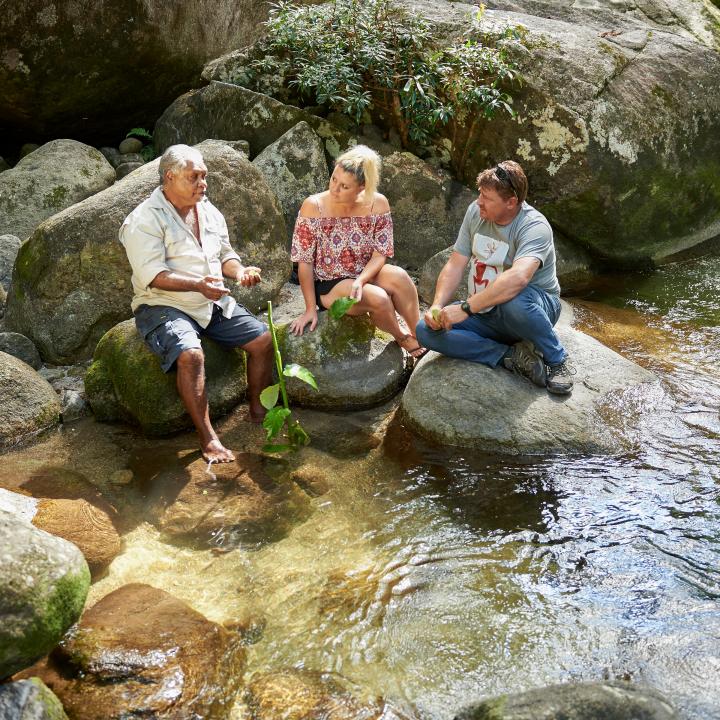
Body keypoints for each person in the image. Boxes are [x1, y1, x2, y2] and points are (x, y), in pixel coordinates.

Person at [119, 144, 273, 463]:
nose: (202, 183)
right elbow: (152, 274)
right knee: (190, 355)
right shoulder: (143, 219)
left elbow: (225, 255)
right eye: (194, 177)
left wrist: (241, 271)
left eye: (204, 176)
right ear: (169, 177)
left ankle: (258, 411)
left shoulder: (208, 210)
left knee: (263, 339)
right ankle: (209, 440)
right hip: (162, 304)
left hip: (211, 300)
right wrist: (199, 285)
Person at [415, 160, 574, 395]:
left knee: (513, 301)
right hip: (485, 311)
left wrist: (466, 308)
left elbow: (518, 279)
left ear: (511, 202)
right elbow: (456, 264)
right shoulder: (475, 212)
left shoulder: (534, 226)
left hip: (531, 307)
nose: (479, 201)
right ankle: (511, 356)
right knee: (425, 331)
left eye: (487, 198)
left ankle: (557, 360)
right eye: (480, 194)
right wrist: (437, 306)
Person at [289, 145, 426, 358]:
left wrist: (361, 280)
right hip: (329, 284)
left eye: (344, 186)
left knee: (400, 276)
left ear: (362, 187)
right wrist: (309, 308)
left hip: (364, 274)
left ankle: (422, 333)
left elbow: (380, 254)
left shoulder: (378, 204)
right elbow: (304, 262)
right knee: (379, 298)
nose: (334, 189)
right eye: (334, 179)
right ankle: (402, 337)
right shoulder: (313, 206)